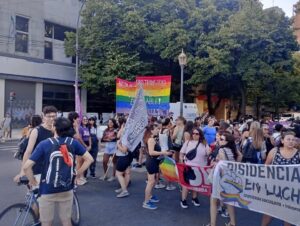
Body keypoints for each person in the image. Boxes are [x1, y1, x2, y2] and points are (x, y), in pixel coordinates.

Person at [23, 117, 93, 226]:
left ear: (54, 128)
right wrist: (78, 173)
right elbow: (90, 159)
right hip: (67, 188)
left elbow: (27, 166)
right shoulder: (73, 142)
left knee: (46, 222)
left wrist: (32, 181)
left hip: (47, 189)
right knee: (66, 221)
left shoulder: (45, 144)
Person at [261, 131, 300, 226]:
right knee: (269, 213)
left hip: (291, 190)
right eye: (288, 139)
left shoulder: (298, 154)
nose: (291, 141)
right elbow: (266, 166)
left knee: (288, 215)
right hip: (274, 189)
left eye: (293, 140)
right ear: (282, 140)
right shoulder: (274, 151)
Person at [14, 106, 57, 182]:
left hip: (53, 168)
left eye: (53, 116)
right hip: (37, 168)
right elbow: (28, 152)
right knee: (35, 191)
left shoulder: (58, 130)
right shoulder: (36, 131)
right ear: (43, 117)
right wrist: (23, 171)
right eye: (49, 116)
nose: (51, 119)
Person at [207, 132, 242, 226]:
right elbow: (240, 156)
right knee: (229, 201)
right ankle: (232, 223)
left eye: (222, 139)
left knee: (213, 201)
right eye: (220, 138)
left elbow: (222, 166)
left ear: (227, 142)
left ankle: (212, 224)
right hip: (230, 179)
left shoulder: (221, 150)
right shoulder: (233, 149)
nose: (219, 140)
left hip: (221, 179)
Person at [143, 124, 173, 210]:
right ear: (152, 130)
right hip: (151, 162)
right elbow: (152, 152)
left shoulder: (151, 138)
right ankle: (146, 202)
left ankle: (150, 196)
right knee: (151, 182)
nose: (158, 130)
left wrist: (164, 152)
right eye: (156, 129)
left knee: (152, 181)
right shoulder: (151, 139)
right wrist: (164, 153)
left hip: (152, 161)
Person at [179, 128, 210, 208]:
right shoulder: (188, 142)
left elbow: (208, 154)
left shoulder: (204, 143)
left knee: (196, 185)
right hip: (188, 167)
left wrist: (208, 145)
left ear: (200, 135)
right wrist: (182, 164)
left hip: (200, 168)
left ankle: (194, 198)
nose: (194, 135)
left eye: (197, 134)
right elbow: (181, 153)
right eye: (193, 133)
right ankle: (183, 200)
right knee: (186, 184)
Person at [115, 123, 133, 198]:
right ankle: (123, 188)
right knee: (127, 172)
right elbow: (118, 136)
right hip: (128, 156)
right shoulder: (128, 136)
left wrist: (118, 145)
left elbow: (124, 150)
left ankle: (124, 190)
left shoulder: (125, 138)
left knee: (118, 174)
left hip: (123, 156)